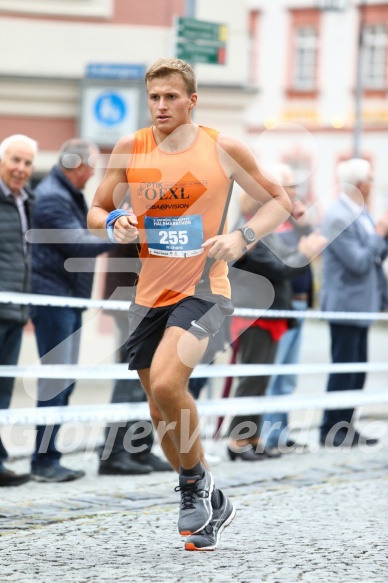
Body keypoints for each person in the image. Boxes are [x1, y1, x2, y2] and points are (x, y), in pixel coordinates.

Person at [87, 58, 292, 551]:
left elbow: (278, 200)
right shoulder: (130, 147)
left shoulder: (222, 147)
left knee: (166, 381)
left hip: (205, 289)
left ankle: (193, 487)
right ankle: (208, 494)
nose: (161, 106)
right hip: (148, 294)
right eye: (154, 97)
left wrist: (240, 237)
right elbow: (96, 209)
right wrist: (114, 219)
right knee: (158, 404)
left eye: (171, 97)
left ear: (191, 100)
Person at [30, 138, 114, 482]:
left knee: (64, 381)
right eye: (91, 166)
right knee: (55, 381)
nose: (93, 173)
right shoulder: (52, 196)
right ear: (77, 166)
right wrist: (120, 233)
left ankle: (49, 458)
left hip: (67, 299)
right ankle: (43, 463)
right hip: (54, 299)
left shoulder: (63, 193)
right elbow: (78, 243)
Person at [226, 190, 326, 461]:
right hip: (255, 314)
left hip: (268, 313)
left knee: (262, 378)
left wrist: (303, 248)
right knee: (252, 378)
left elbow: (285, 259)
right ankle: (237, 440)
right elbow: (280, 269)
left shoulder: (262, 231)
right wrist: (304, 254)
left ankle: (253, 437)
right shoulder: (246, 232)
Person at [320, 158, 388, 447]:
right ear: (361, 184)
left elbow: (375, 256)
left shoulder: (360, 213)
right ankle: (331, 428)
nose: (373, 185)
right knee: (344, 369)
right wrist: (378, 234)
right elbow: (359, 262)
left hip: (361, 304)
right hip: (345, 304)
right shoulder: (338, 215)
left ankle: (346, 425)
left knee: (357, 370)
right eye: (371, 179)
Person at [99, 243, 172, 474]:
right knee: (131, 380)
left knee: (146, 380)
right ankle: (114, 453)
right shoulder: (137, 207)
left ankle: (139, 448)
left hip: (152, 301)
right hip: (135, 299)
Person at [260, 163, 316, 452]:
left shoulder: (290, 219)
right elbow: (285, 262)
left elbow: (309, 245)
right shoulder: (268, 221)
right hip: (279, 305)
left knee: (287, 376)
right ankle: (266, 436)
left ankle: (280, 434)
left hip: (299, 303)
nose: (296, 193)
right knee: (273, 372)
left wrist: (304, 223)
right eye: (291, 187)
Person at [0, 134, 38, 487]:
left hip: (15, 309)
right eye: (15, 160)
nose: (21, 169)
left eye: (27, 163)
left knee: (3, 388)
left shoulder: (27, 201)